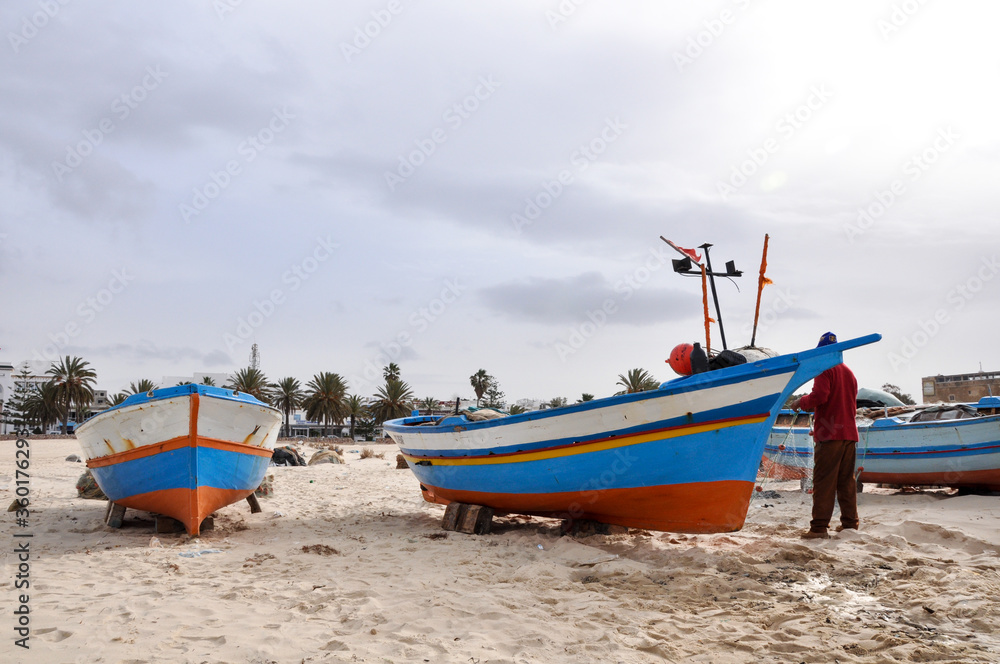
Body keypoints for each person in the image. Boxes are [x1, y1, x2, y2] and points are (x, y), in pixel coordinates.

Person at [789, 332, 859, 539]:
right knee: (846, 481)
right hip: (850, 434)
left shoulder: (824, 370)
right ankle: (850, 524)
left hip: (830, 435)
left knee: (823, 481)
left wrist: (799, 403)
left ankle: (819, 528)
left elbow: (820, 396)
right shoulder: (849, 372)